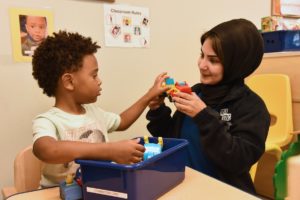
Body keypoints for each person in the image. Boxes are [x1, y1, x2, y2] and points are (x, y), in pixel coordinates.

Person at [146, 18, 270, 195]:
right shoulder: (196, 93)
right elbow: (172, 140)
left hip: (224, 192)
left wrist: (203, 115)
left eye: (213, 60)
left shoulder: (252, 107)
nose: (202, 64)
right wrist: (158, 111)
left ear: (237, 64)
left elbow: (238, 160)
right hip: (186, 186)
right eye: (202, 55)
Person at [31, 31, 168, 187]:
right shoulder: (48, 121)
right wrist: (109, 150)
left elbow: (122, 121)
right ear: (69, 82)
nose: (99, 81)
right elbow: (47, 150)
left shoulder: (94, 112)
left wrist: (149, 95)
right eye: (94, 75)